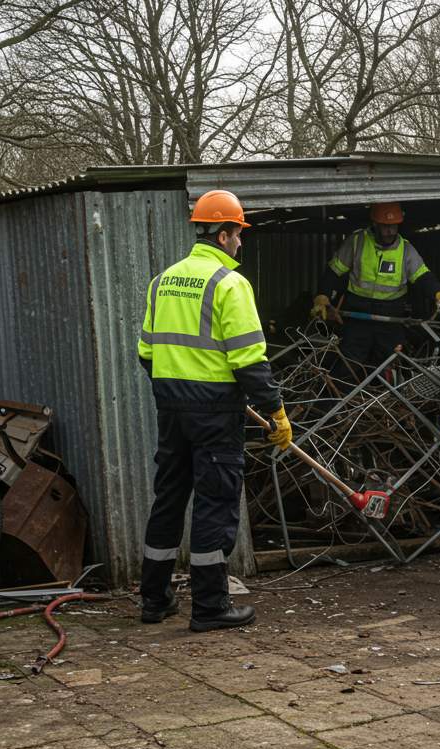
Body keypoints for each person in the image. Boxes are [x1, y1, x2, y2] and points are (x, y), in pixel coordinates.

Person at [136, 189, 292, 632]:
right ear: (223, 234)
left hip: (171, 407)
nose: (241, 242)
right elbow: (248, 361)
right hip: (214, 411)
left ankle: (154, 600)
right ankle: (209, 606)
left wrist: (175, 389)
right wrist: (276, 412)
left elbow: (146, 353)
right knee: (215, 502)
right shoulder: (230, 284)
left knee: (168, 498)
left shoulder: (162, 281)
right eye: (239, 234)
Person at [310, 202, 440, 376]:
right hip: (358, 314)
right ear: (375, 224)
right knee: (350, 362)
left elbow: (424, 277)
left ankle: (390, 401)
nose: (390, 231)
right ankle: (345, 398)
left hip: (391, 318)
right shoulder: (357, 242)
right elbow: (334, 272)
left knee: (392, 363)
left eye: (394, 226)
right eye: (385, 226)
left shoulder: (406, 249)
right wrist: (322, 296)